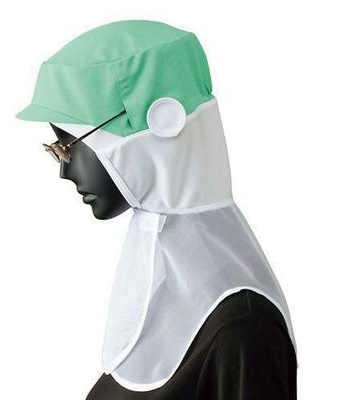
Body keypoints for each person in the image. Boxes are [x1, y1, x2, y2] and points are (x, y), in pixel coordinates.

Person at [17, 20, 297, 399]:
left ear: (159, 126)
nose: (65, 172)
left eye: (68, 145)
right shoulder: (165, 291)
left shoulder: (243, 330)